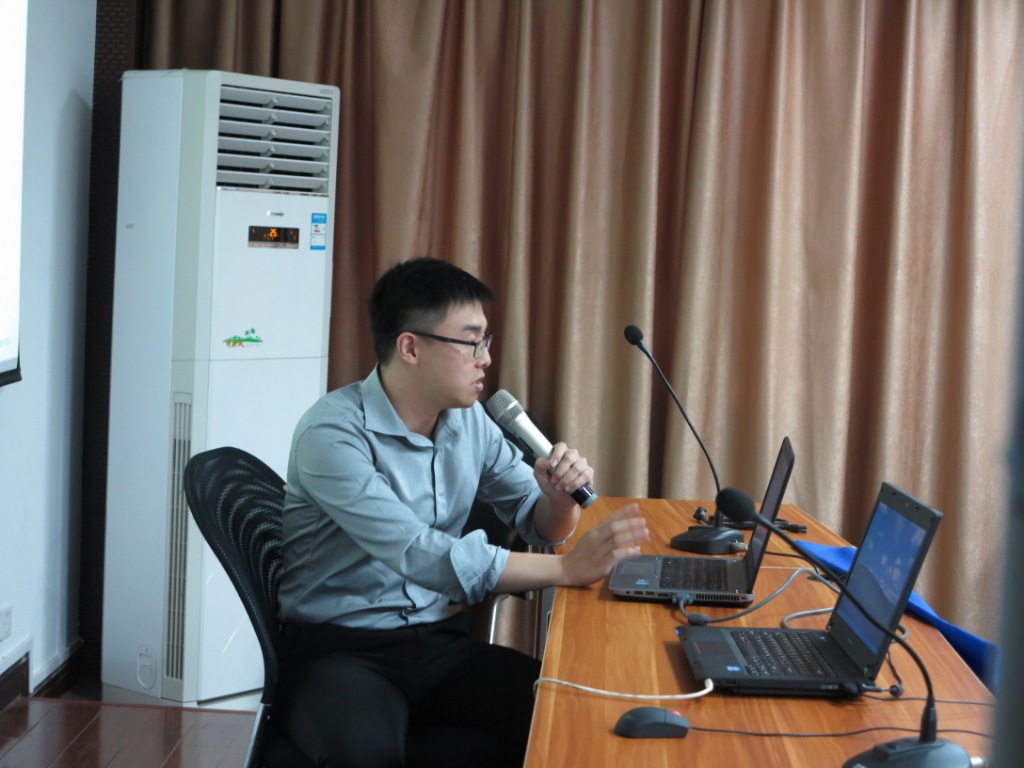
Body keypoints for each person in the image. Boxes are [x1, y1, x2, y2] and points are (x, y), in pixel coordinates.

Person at [277, 256, 649, 768]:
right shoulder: (333, 433)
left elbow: (536, 521)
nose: (486, 359)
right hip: (341, 651)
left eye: (486, 341)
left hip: (435, 642)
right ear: (411, 347)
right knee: (366, 755)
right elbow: (419, 553)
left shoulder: (468, 422)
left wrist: (558, 501)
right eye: (471, 342)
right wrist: (566, 570)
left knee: (571, 718)